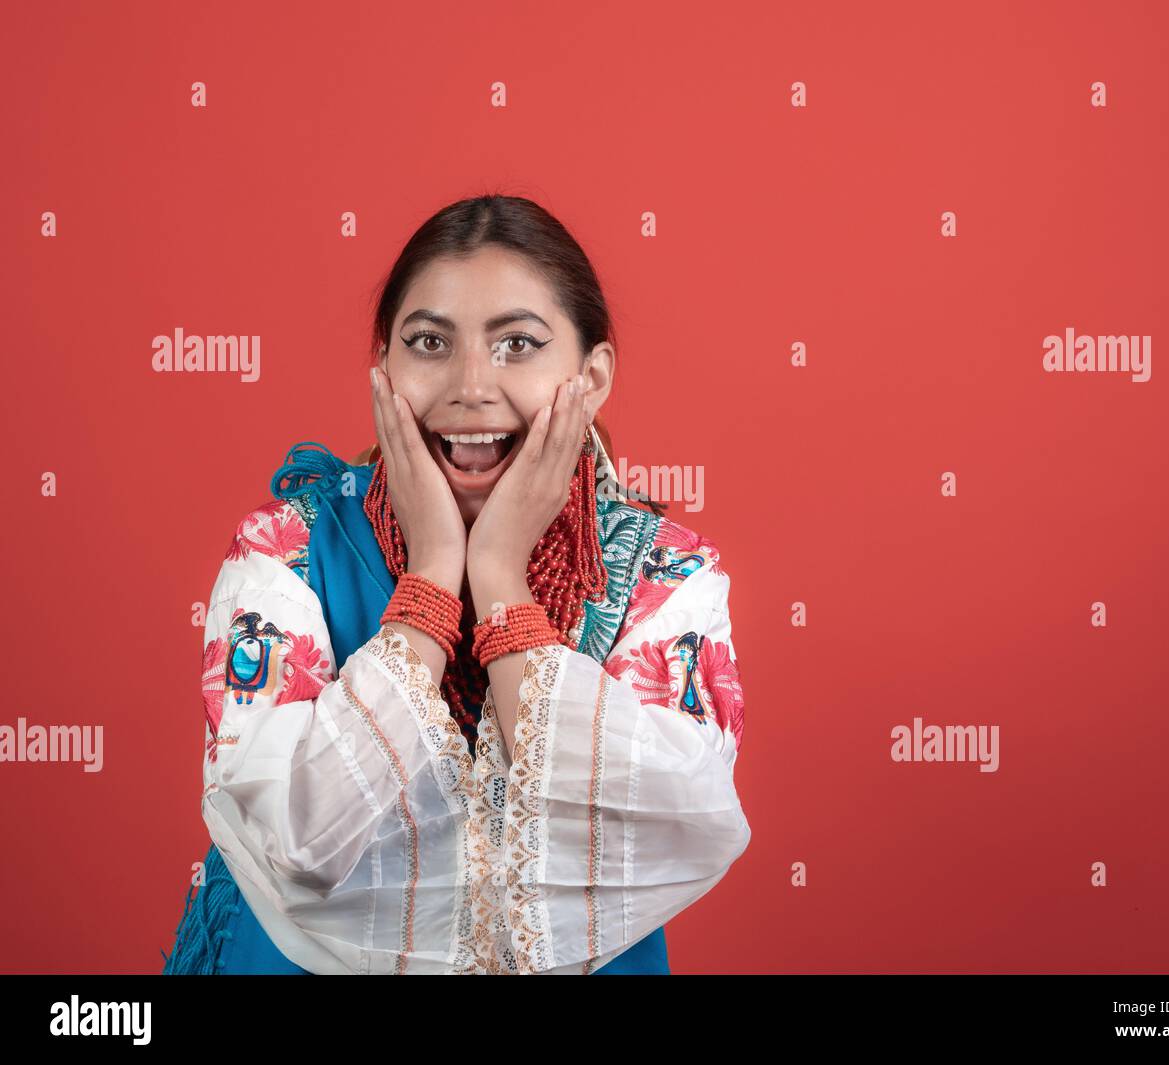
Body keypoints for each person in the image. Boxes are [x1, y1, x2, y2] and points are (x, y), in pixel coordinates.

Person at [161, 194, 750, 975]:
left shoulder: (664, 577)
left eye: (517, 345)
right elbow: (295, 839)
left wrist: (501, 580)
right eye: (430, 342)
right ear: (384, 368)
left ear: (593, 375)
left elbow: (673, 825)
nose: (471, 385)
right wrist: (434, 577)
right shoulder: (286, 549)